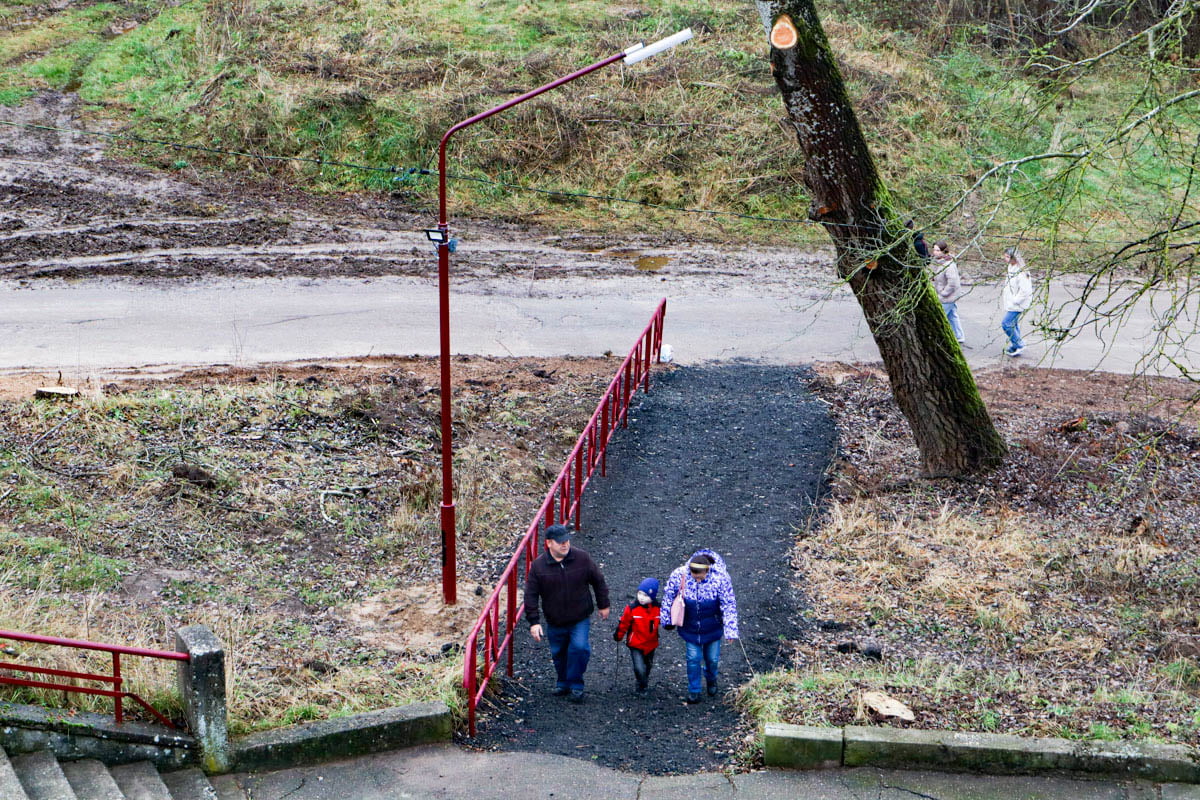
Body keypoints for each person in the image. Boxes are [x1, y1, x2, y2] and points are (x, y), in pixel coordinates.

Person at [524, 524, 610, 703]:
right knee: (558, 652)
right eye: (560, 542)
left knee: (580, 648)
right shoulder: (538, 567)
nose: (565, 544)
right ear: (549, 543)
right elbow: (530, 595)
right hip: (555, 620)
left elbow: (598, 581)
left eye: (567, 540)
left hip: (579, 617)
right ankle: (563, 682)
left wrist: (603, 604)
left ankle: (576, 684)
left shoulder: (582, 558)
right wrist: (534, 622)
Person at [659, 549, 739, 704]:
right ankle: (694, 689)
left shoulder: (720, 578)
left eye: (700, 574)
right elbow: (668, 596)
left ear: (707, 570)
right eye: (693, 573)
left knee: (712, 659)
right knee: (693, 658)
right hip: (690, 627)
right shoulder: (679, 574)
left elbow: (728, 604)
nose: (696, 576)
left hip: (712, 628)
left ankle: (711, 678)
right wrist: (666, 619)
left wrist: (730, 630)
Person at [613, 577, 661, 694]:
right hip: (636, 644)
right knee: (639, 668)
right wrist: (618, 635)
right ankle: (642, 684)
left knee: (648, 665)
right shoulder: (632, 608)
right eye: (640, 593)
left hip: (651, 643)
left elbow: (665, 620)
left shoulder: (658, 608)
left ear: (653, 596)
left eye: (646, 595)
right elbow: (624, 623)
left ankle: (642, 681)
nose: (641, 598)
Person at [1001, 247, 1033, 357]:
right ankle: (1015, 345)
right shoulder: (1011, 267)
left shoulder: (1021, 272)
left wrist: (1015, 300)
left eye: (1007, 257)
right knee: (1013, 323)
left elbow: (1025, 291)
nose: (1004, 259)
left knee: (1006, 324)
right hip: (1012, 301)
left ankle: (1019, 344)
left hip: (1018, 303)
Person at [931, 240, 965, 344]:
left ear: (943, 251)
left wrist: (943, 293)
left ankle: (939, 337)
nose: (934, 252)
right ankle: (959, 336)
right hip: (945, 295)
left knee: (940, 316)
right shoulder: (939, 263)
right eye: (934, 250)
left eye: (937, 250)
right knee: (952, 316)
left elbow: (952, 283)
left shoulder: (949, 265)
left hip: (948, 296)